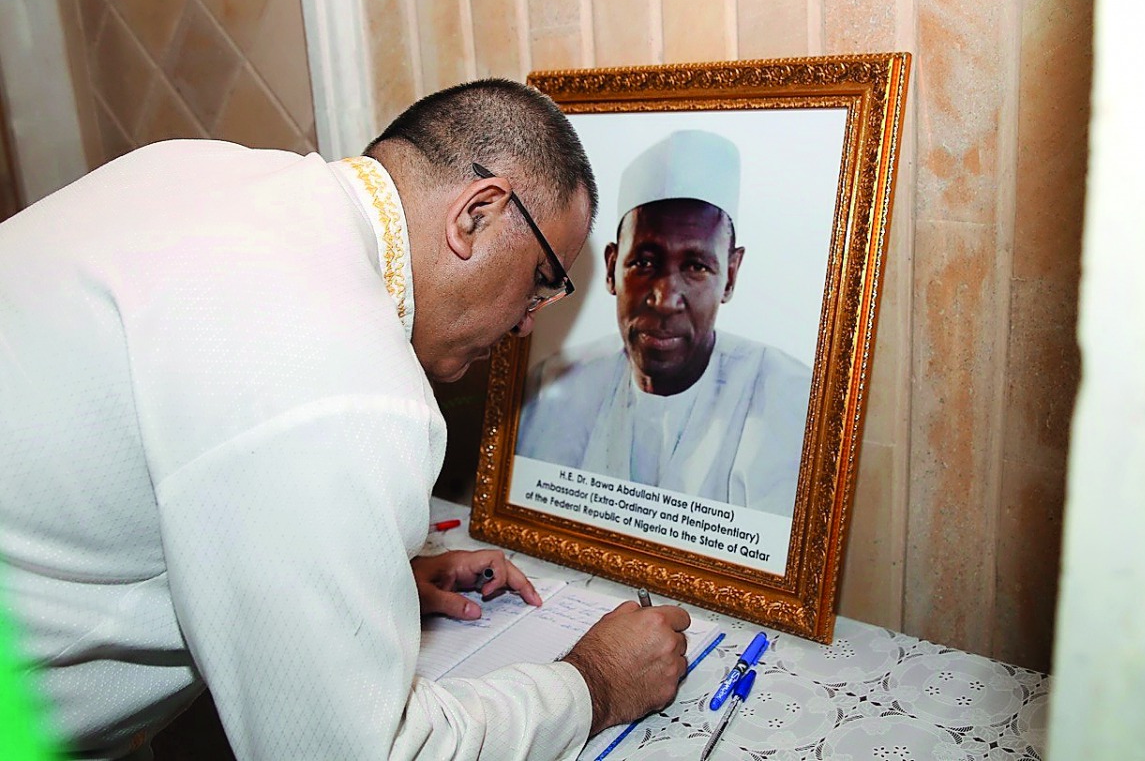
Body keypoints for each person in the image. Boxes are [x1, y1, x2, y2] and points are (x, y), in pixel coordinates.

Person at [0, 79, 691, 760]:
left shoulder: (191, 167)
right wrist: (594, 684)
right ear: (476, 214)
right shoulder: (348, 383)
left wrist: (368, 580)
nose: (524, 326)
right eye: (542, 281)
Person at [517, 130, 813, 518]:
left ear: (731, 275)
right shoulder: (558, 385)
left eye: (695, 267)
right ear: (611, 268)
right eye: (644, 263)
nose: (664, 299)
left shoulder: (784, 395)